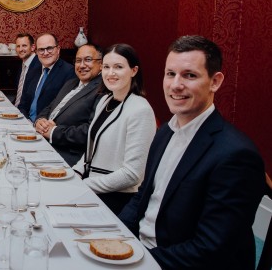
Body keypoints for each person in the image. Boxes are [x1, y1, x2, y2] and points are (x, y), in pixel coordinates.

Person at [119, 36, 265, 269]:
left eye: (190, 75)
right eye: (170, 74)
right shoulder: (165, 130)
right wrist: (114, 234)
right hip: (143, 248)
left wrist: (137, 262)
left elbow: (210, 249)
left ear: (215, 81)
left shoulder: (236, 155)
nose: (176, 85)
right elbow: (142, 198)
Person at [72, 43, 156, 214]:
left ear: (134, 70)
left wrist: (84, 185)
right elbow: (91, 149)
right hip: (91, 188)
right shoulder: (105, 100)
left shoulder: (140, 110)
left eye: (118, 67)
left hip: (116, 198)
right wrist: (74, 173)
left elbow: (132, 174)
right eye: (106, 67)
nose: (110, 73)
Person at [34, 43, 103, 165]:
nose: (82, 65)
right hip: (44, 142)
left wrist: (54, 132)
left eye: (88, 60)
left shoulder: (102, 89)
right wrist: (40, 120)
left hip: (67, 153)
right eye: (78, 61)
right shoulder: (71, 83)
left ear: (101, 64)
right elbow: (50, 106)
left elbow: (91, 131)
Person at [17, 33, 76, 122]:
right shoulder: (33, 70)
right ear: (36, 52)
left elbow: (62, 107)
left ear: (58, 49)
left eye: (49, 48)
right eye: (41, 50)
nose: (45, 53)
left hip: (46, 125)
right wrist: (25, 121)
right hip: (26, 123)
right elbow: (23, 104)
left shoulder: (69, 72)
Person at [13, 33, 40, 107]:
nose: (20, 49)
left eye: (24, 45)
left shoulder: (39, 65)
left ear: (33, 47)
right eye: (18, 46)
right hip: (18, 107)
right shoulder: (23, 64)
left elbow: (31, 97)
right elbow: (20, 93)